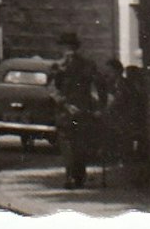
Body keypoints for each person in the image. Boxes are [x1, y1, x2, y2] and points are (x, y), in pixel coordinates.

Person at [49, 32, 104, 189]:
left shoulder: (87, 65)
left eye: (70, 47)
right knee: (68, 145)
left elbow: (96, 86)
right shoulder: (57, 67)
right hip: (65, 112)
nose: (67, 50)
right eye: (65, 47)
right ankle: (71, 176)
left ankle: (79, 175)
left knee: (80, 144)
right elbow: (52, 89)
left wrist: (97, 106)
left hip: (82, 111)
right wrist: (65, 104)